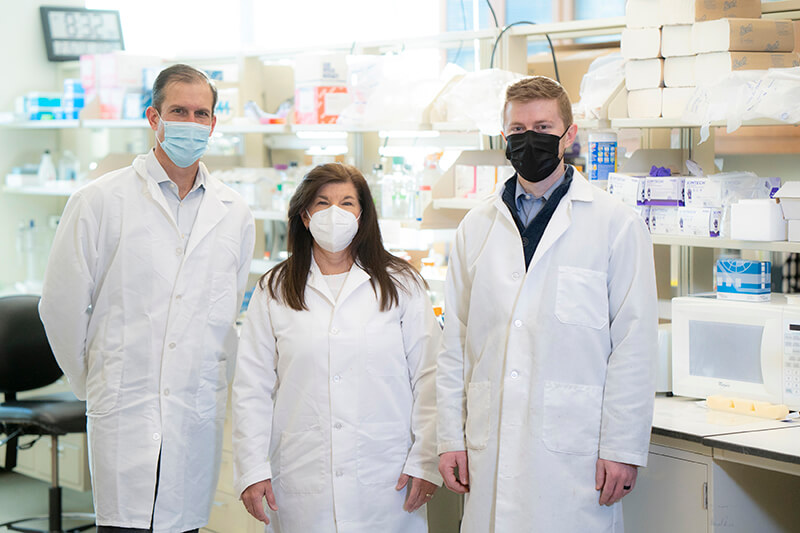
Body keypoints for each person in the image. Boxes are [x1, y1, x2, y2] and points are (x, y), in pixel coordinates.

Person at [39, 64, 255, 533]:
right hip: (125, 404)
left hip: (193, 409)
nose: (191, 123)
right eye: (178, 110)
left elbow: (227, 316)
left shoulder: (234, 212)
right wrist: (94, 380)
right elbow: (60, 306)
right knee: (125, 527)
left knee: (184, 526)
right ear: (153, 117)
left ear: (214, 123)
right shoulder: (99, 201)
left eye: (202, 113)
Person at [436, 76, 658, 532]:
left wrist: (622, 447)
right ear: (504, 137)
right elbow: (453, 344)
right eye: (518, 129)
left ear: (569, 135)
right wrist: (449, 438)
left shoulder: (616, 225)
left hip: (574, 455)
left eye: (542, 126)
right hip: (490, 445)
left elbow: (635, 347)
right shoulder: (475, 227)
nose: (529, 139)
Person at [232, 163, 442, 532]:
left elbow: (429, 376)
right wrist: (251, 468)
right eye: (322, 202)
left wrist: (425, 459)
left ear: (363, 214)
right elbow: (252, 387)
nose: (335, 213)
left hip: (385, 479)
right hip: (301, 478)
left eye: (347, 202)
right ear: (305, 214)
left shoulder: (401, 284)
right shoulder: (275, 288)